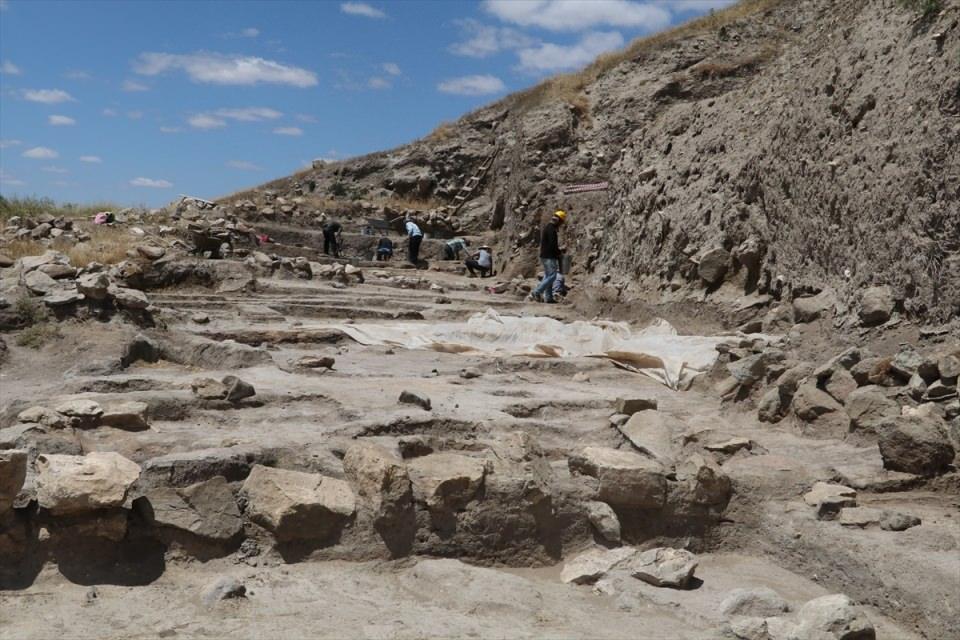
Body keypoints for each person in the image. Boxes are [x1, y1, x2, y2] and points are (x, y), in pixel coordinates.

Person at [529, 210, 566, 303]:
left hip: (545, 255)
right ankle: (536, 292)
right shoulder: (551, 229)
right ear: (558, 220)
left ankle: (548, 297)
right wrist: (558, 253)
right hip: (549, 256)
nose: (560, 225)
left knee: (547, 276)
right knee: (552, 276)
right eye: (561, 222)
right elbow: (552, 244)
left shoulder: (548, 227)